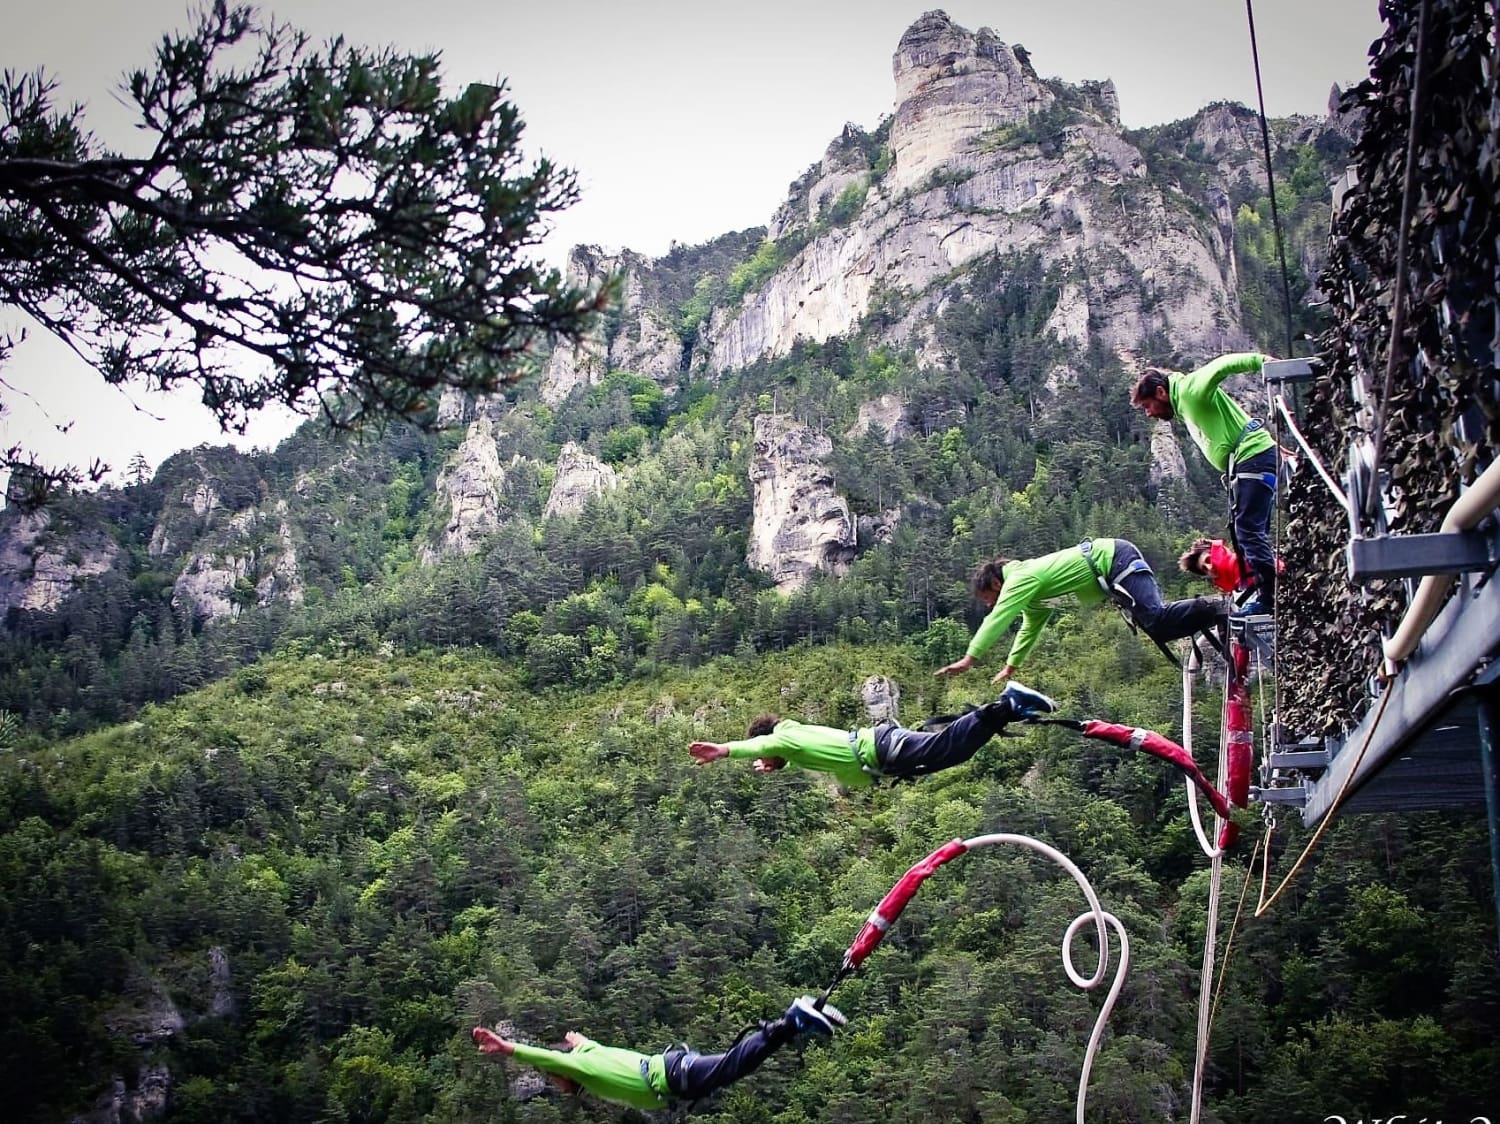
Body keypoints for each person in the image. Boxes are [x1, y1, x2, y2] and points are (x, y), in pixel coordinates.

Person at [472, 995, 845, 1109]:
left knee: (734, 1066)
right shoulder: (590, 1054)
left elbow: (549, 1059)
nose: (560, 1085)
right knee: (733, 1067)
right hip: (674, 1074)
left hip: (673, 1076)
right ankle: (795, 1022)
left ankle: (790, 1021)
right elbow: (584, 1044)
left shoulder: (581, 1067)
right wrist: (578, 1039)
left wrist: (508, 1048)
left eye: (559, 1080)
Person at [934, 539, 1226, 684]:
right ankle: (1214, 612)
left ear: (997, 583)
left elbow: (999, 618)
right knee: (1158, 626)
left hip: (1115, 560)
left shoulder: (1020, 578)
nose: (989, 605)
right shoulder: (1033, 596)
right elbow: (1030, 626)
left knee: (1157, 619)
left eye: (989, 597)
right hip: (1113, 568)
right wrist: (1012, 665)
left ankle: (1216, 608)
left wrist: (970, 658)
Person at [1130, 353, 1281, 613]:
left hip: (1251, 458)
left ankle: (1269, 599)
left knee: (1248, 530)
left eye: (1147, 406)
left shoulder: (1190, 391)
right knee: (1249, 533)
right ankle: (1262, 589)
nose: (1148, 413)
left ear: (1160, 392)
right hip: (1249, 460)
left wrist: (1263, 361)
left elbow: (1222, 366)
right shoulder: (1184, 399)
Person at [688, 682, 1058, 786]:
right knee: (951, 752)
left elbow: (768, 744)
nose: (762, 759)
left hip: (881, 751)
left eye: (763, 755)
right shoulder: (795, 739)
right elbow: (795, 752)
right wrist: (779, 767)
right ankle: (1010, 709)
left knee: (944, 747)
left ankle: (1006, 705)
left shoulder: (784, 739)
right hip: (882, 749)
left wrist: (724, 750)